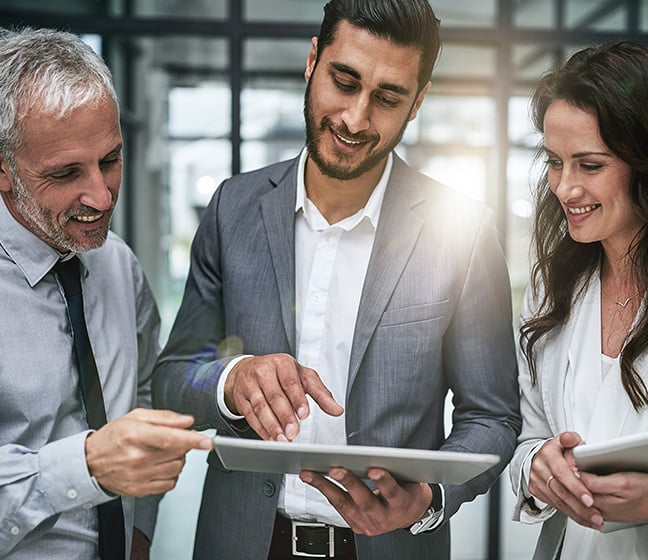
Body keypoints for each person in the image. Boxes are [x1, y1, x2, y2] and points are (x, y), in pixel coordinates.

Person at [153, 1, 520, 558]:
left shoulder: (464, 233)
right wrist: (230, 381)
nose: (354, 118)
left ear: (417, 102)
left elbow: (491, 416)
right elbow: (175, 378)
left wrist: (427, 497)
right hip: (243, 542)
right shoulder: (233, 207)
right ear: (311, 62)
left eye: (388, 97)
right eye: (343, 81)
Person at [0, 27, 213, 559]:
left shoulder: (116, 263)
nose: (100, 195)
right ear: (2, 170)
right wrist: (88, 465)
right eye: (66, 173)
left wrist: (138, 534)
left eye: (110, 160)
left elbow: (141, 392)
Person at [510, 40, 648, 559]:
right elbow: (528, 434)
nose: (564, 188)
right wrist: (537, 466)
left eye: (588, 165)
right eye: (554, 162)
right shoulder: (554, 285)